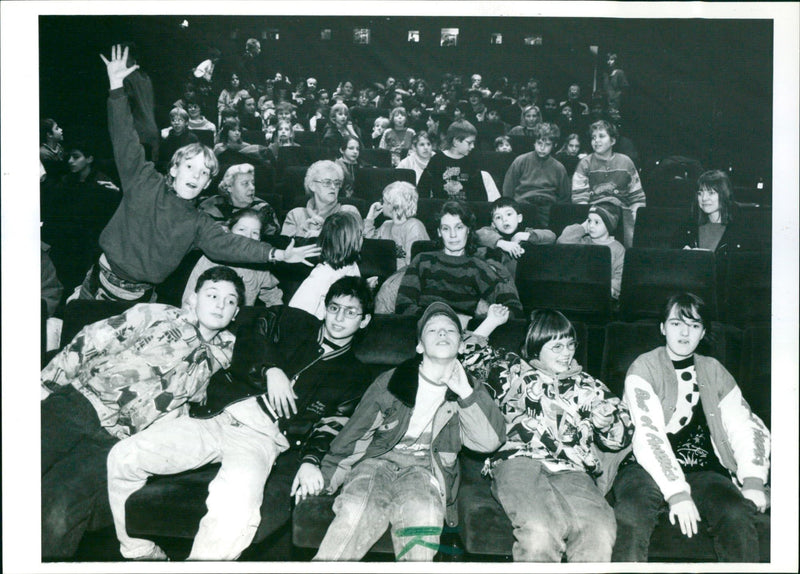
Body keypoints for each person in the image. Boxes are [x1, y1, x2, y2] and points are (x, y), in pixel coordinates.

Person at [106, 276, 374, 560]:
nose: (339, 318)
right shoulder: (290, 320)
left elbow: (333, 423)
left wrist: (311, 460)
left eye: (350, 311)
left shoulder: (355, 374)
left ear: (365, 320)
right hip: (216, 416)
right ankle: (142, 554)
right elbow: (250, 331)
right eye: (334, 308)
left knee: (236, 508)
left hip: (261, 438)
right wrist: (269, 368)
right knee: (124, 456)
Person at [79, 45, 318, 302]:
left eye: (204, 172)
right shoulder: (143, 180)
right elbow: (124, 137)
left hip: (141, 299)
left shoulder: (198, 223)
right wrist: (116, 88)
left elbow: (232, 244)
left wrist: (278, 254)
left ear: (207, 184)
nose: (196, 175)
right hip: (97, 287)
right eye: (190, 166)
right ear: (173, 168)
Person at [41, 266, 245, 559]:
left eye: (230, 301)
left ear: (236, 313)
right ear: (193, 299)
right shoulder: (158, 315)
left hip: (115, 441)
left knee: (57, 513)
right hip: (76, 403)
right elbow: (95, 338)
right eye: (212, 295)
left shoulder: (229, 355)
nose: (220, 304)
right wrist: (46, 383)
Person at [313, 302, 506, 561]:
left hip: (425, 470)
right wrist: (326, 479)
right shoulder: (391, 382)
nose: (441, 334)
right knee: (357, 508)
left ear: (461, 345)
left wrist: (466, 393)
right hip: (376, 463)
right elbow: (354, 434)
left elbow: (489, 442)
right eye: (432, 330)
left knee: (425, 515)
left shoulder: (470, 390)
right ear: (419, 346)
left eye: (450, 330)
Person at [461, 306, 633, 562]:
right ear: (535, 347)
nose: (567, 354)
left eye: (570, 345)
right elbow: (466, 353)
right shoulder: (511, 370)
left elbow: (623, 435)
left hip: (572, 469)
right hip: (518, 461)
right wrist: (492, 321)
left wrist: (607, 421)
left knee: (599, 531)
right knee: (540, 532)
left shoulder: (590, 386)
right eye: (557, 347)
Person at [611, 293, 770, 562]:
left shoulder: (715, 370)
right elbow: (648, 435)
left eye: (694, 325)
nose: (685, 332)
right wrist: (677, 492)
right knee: (633, 513)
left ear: (703, 332)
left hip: (704, 468)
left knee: (735, 512)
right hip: (643, 466)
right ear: (663, 328)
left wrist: (753, 480)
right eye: (676, 323)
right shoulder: (643, 367)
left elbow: (745, 425)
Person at [395, 200, 523, 322]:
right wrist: (448, 319)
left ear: (468, 230)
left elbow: (514, 309)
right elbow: (403, 305)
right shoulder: (423, 260)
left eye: (459, 227)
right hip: (425, 330)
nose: (453, 235)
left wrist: (483, 318)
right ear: (439, 232)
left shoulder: (478, 267)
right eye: (446, 228)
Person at [183, 209, 283, 308]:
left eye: (255, 233)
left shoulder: (259, 268)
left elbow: (273, 296)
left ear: (260, 239)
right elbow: (189, 298)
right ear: (228, 232)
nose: (248, 236)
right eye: (242, 229)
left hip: (240, 322)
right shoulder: (210, 259)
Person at [572, 119, 645, 249]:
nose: (596, 140)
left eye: (601, 136)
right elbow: (579, 200)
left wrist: (634, 216)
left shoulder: (626, 162)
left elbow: (637, 197)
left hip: (621, 214)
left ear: (613, 141)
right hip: (594, 212)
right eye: (593, 137)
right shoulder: (584, 164)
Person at [289, 211, 363, 319]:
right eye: (360, 235)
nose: (363, 239)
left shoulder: (352, 265)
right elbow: (295, 314)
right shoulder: (321, 275)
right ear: (348, 241)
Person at [672, 169, 759, 256]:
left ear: (724, 195)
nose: (704, 198)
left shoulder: (743, 231)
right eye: (700, 193)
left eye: (711, 193)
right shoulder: (687, 229)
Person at [502, 122, 571, 228]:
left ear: (554, 145)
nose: (542, 148)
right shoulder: (520, 161)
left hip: (547, 209)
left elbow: (564, 197)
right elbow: (508, 189)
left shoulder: (559, 168)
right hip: (523, 206)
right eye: (539, 143)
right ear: (534, 143)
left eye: (547, 144)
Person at [557, 201, 625, 299]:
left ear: (609, 225)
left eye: (597, 222)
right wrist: (583, 228)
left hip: (603, 294)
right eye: (589, 221)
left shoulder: (618, 249)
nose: (591, 225)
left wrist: (610, 289)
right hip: (578, 290)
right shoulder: (583, 241)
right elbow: (562, 241)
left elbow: (621, 276)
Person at [476, 197, 556, 278]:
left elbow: (551, 236)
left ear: (519, 218)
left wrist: (525, 236)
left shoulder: (525, 232)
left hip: (522, 280)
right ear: (493, 224)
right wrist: (501, 243)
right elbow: (478, 235)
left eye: (509, 214)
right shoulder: (491, 232)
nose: (504, 220)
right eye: (498, 217)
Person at [281, 160, 362, 238]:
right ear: (312, 186)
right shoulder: (296, 215)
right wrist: (301, 233)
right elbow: (285, 248)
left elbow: (355, 244)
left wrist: (321, 236)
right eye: (327, 182)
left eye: (337, 183)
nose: (333, 187)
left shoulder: (348, 212)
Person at [364, 181, 431, 270]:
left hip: (404, 277)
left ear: (394, 205)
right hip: (383, 274)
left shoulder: (414, 227)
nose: (381, 204)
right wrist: (370, 218)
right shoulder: (386, 225)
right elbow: (369, 245)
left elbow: (412, 264)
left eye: (384, 201)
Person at [198, 163, 280, 233]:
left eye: (253, 183)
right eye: (245, 183)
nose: (252, 188)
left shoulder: (263, 209)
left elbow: (271, 242)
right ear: (229, 187)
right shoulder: (209, 207)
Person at [417, 120, 487, 202]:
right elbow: (422, 191)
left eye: (473, 143)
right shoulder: (437, 160)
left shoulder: (471, 162)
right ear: (456, 141)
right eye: (469, 143)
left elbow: (481, 196)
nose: (473, 146)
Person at [159, 107, 200, 171]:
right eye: (173, 120)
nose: (176, 123)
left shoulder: (192, 139)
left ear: (186, 123)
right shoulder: (167, 138)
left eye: (180, 120)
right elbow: (162, 159)